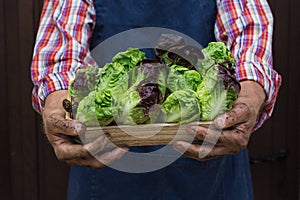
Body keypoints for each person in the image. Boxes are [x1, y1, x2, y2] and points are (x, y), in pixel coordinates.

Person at [31, 0, 281, 199]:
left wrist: (248, 95)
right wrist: (58, 102)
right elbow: (61, 51)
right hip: (106, 168)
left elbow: (249, 28)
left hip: (210, 166)